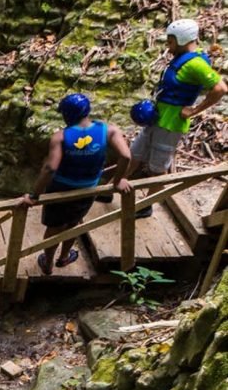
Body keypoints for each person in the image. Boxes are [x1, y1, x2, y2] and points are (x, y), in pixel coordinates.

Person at [20, 93, 132, 274]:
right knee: (73, 222)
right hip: (88, 188)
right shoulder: (108, 131)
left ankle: (47, 263)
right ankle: (64, 257)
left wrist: (34, 195)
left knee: (54, 226)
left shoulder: (61, 137)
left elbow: (50, 169)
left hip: (61, 188)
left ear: (66, 115)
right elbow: (126, 155)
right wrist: (118, 180)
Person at [128, 18, 227, 218]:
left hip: (171, 124)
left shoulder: (196, 64)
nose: (168, 45)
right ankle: (112, 186)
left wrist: (194, 110)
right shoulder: (182, 57)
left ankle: (146, 205)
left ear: (182, 39)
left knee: (158, 168)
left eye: (171, 41)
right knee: (134, 153)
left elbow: (220, 88)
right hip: (158, 117)